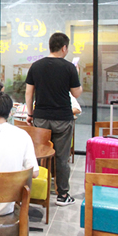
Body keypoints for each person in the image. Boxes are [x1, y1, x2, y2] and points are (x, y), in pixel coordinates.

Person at [25, 32, 82, 207]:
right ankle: (62, 195)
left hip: (41, 118)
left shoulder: (36, 66)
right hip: (63, 119)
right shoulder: (69, 68)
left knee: (38, 154)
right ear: (64, 48)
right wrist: (77, 74)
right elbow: (76, 93)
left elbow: (29, 93)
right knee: (61, 158)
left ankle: (34, 192)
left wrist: (30, 114)